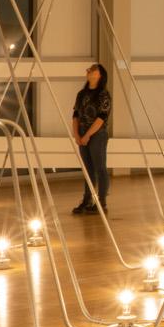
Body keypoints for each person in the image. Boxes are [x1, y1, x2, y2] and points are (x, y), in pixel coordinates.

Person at [71, 63, 113, 215]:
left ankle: (101, 201)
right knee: (88, 170)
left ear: (100, 75)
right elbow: (75, 115)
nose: (89, 71)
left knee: (100, 168)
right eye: (89, 69)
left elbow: (101, 118)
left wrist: (88, 135)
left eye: (93, 69)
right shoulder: (81, 94)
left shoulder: (103, 95)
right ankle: (87, 200)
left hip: (97, 135)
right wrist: (76, 134)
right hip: (82, 134)